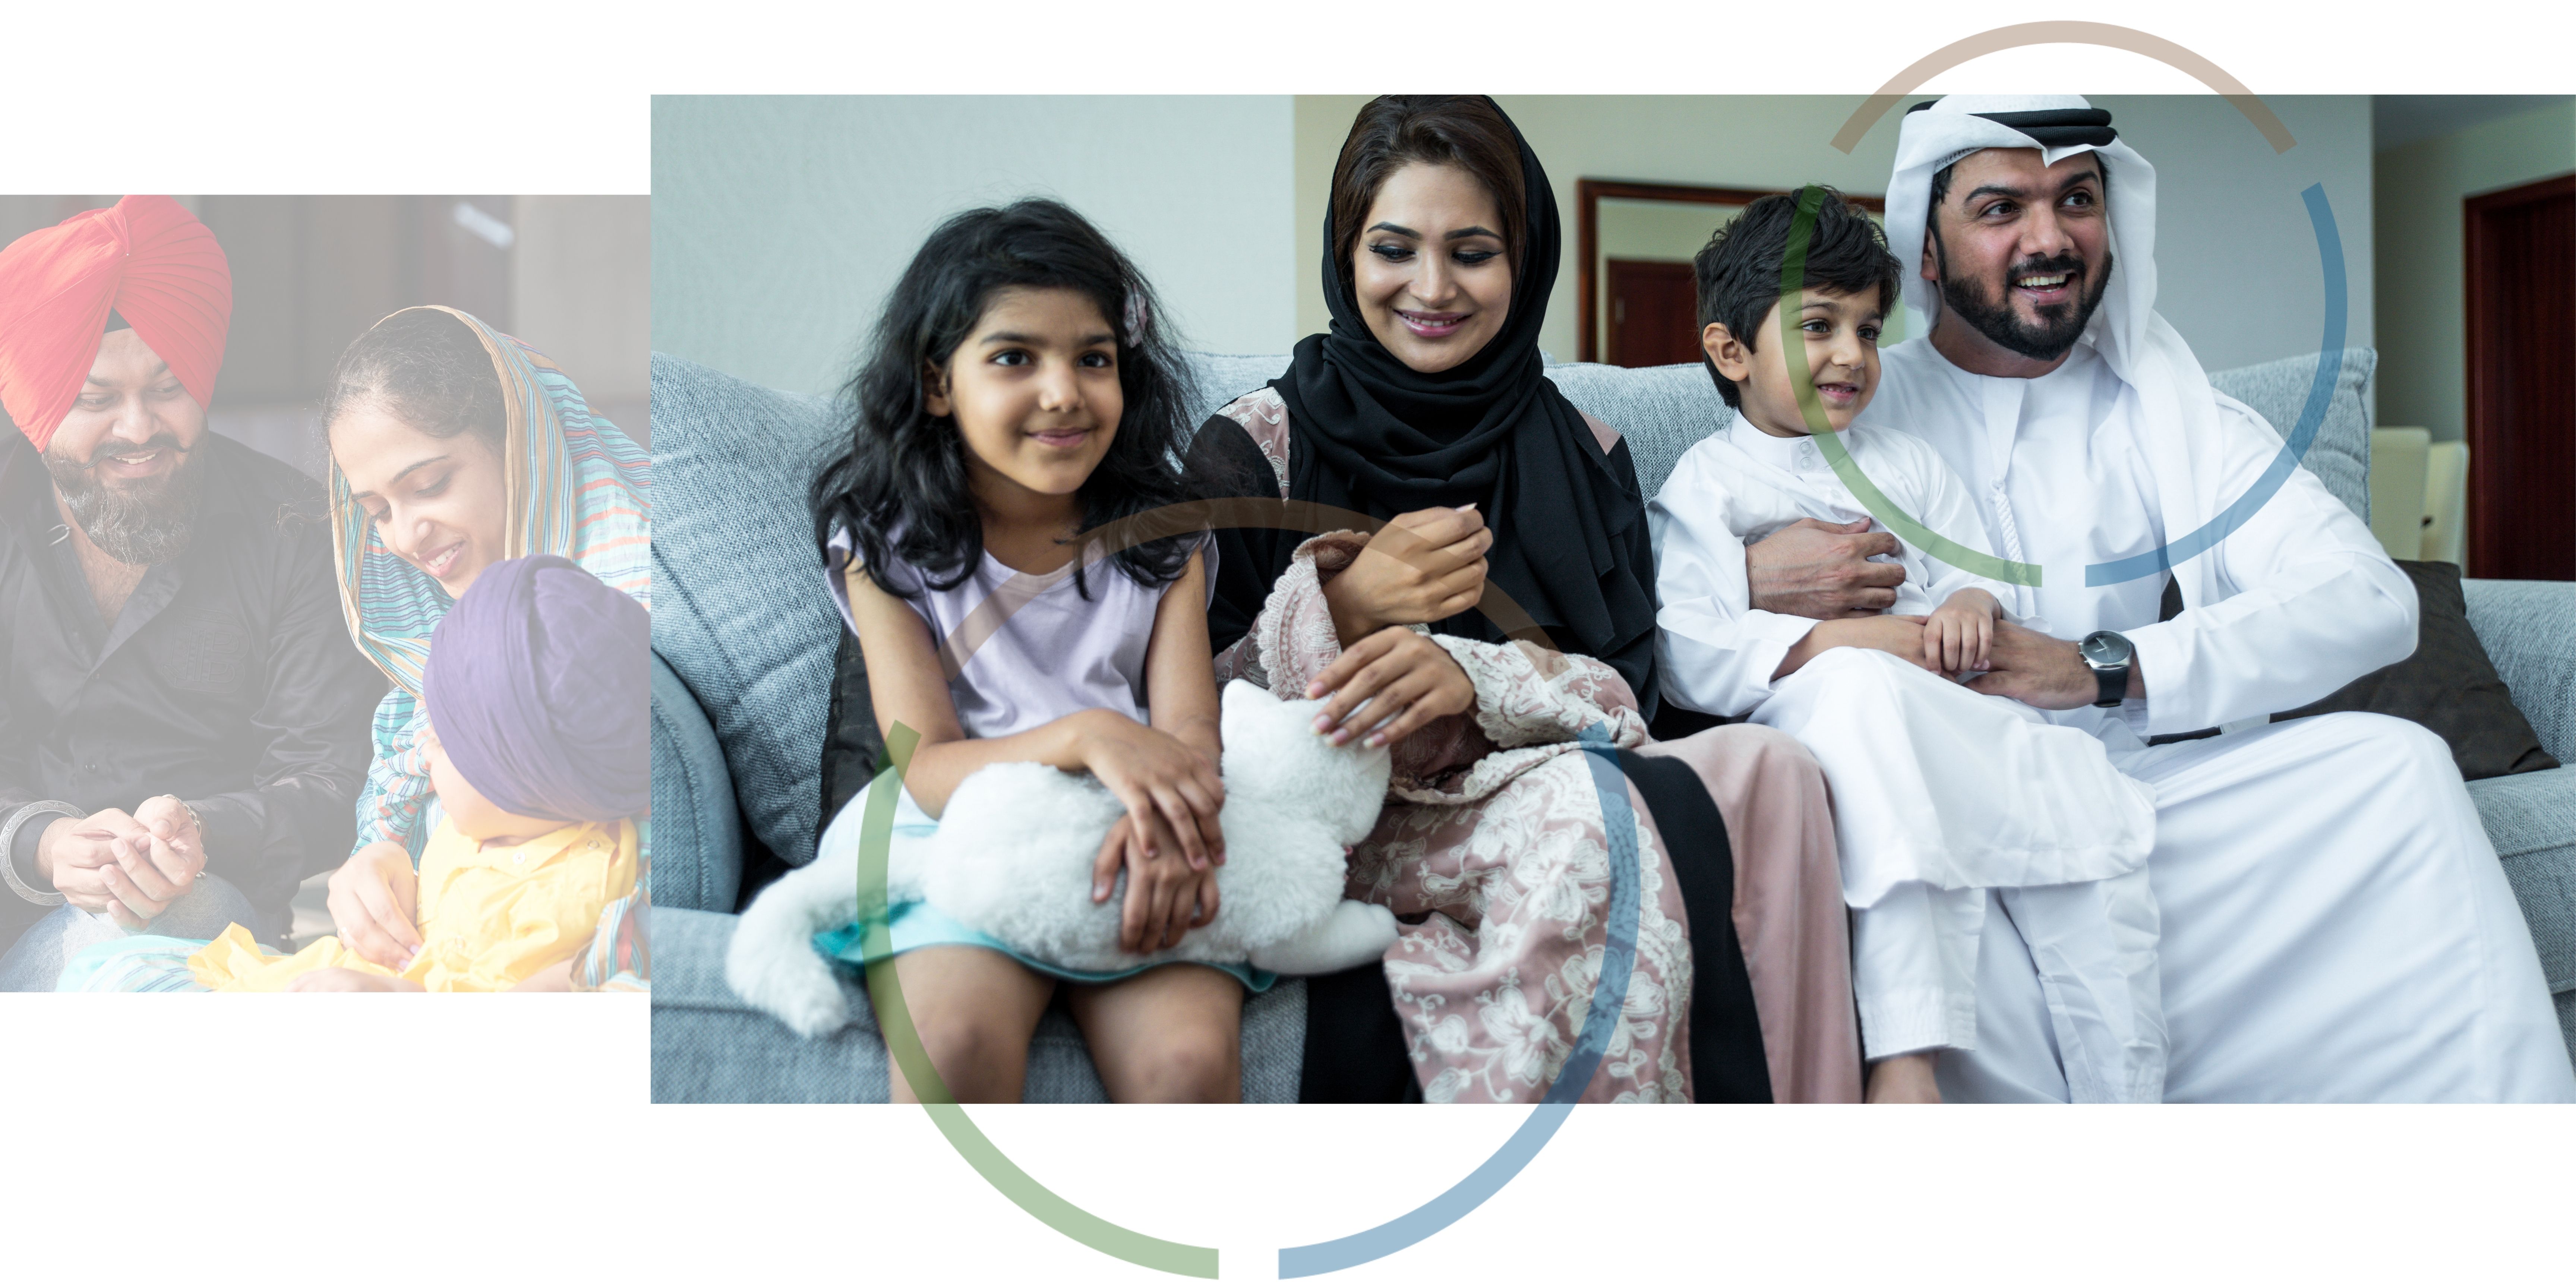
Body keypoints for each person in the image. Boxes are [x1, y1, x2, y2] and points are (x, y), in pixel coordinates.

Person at [1746, 94, 2572, 1101]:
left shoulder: (2169, 408)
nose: (2049, 239)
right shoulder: (1844, 392)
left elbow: (2366, 596)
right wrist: (1747, 577)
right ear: (1927, 248)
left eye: (2077, 200)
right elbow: (1689, 552)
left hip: (2137, 786)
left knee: (2395, 766)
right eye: (2002, 208)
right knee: (1918, 862)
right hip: (1936, 794)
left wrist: (2107, 666)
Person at [1186, 95, 1860, 1103]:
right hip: (1345, 823)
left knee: (1768, 763)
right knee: (1606, 812)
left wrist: (1469, 677)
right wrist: (1347, 608)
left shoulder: (1586, 453)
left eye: (1472, 252)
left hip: (1556, 771)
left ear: (1526, 259)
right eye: (1393, 249)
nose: (1431, 288)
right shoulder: (1254, 448)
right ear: (1344, 254)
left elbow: (1634, 693)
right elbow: (1179, 704)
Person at [1650, 187, 2163, 1103]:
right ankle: (1906, 1056)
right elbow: (1692, 647)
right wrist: (1856, 639)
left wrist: (1969, 601)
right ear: (1731, 350)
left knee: (2082, 803)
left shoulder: (1907, 464)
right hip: (1833, 713)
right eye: (1817, 327)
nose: (1850, 354)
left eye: (1868, 329)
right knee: (1864, 692)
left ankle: (2124, 1095)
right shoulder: (1708, 485)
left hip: (1952, 705)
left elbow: (1985, 583)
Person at [802, 199, 1246, 1104]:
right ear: (937, 383)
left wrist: (1169, 823)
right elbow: (922, 765)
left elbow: (1191, 727)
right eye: (1015, 358)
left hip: (1123, 827)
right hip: (956, 831)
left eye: (1094, 359)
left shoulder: (1165, 541)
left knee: (1188, 1067)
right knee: (953, 1044)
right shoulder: (884, 543)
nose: (1063, 393)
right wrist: (1083, 736)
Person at [0, 196, 384, 988]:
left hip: (202, 912)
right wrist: (37, 840)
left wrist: (200, 831)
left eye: (168, 389)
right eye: (97, 400)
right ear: (37, 410)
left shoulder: (295, 534)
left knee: (131, 946)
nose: (139, 429)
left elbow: (329, 779)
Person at [59, 555, 650, 992]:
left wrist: (398, 1000)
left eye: (445, 742)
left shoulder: (580, 887)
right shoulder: (476, 829)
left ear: (525, 775)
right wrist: (389, 866)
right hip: (336, 983)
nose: (422, 749)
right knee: (104, 970)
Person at [316, 306, 651, 990]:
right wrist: (378, 860)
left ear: (522, 443)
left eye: (429, 486)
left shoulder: (635, 620)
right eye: (378, 511)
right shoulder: (445, 640)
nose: (406, 536)